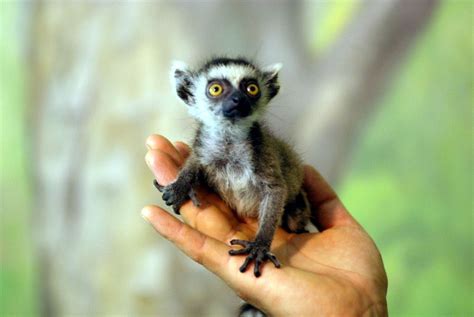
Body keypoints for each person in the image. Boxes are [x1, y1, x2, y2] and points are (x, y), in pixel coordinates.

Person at [141, 134, 388, 316]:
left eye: (249, 89)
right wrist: (183, 184)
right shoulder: (206, 146)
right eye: (216, 89)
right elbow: (199, 159)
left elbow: (275, 188)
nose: (234, 99)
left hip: (286, 218)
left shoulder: (261, 149)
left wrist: (262, 243)